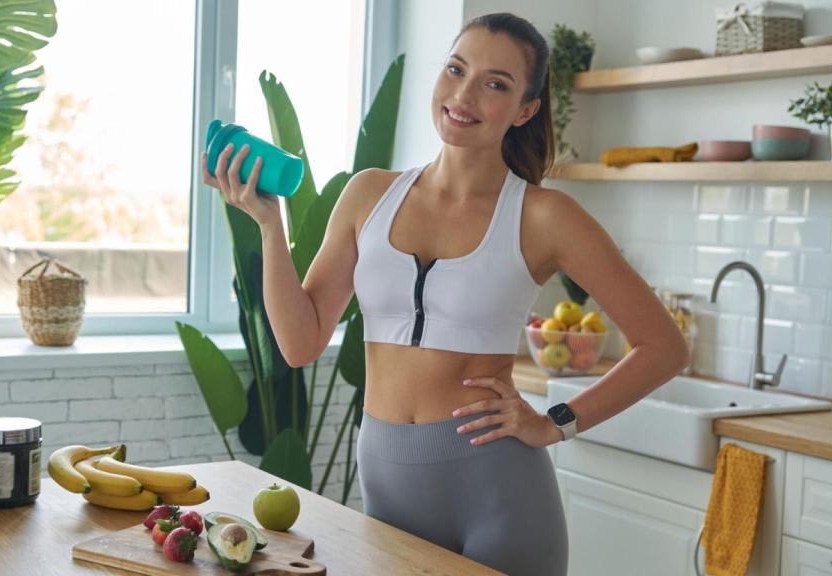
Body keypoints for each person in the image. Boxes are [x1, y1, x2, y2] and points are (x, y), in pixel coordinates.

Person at [201, 12, 690, 576]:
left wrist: (556, 421)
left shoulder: (546, 217)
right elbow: (299, 343)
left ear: (526, 109)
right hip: (387, 486)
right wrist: (268, 225)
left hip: (497, 494)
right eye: (457, 69)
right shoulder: (368, 195)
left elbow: (664, 347)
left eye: (496, 83)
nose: (464, 94)